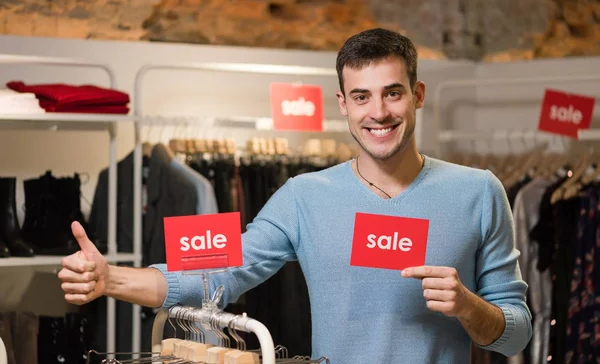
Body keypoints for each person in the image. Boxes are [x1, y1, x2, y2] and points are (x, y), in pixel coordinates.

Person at [58, 28, 532, 363]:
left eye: (393, 93)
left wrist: (467, 304)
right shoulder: (303, 195)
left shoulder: (479, 191)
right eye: (362, 97)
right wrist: (110, 279)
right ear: (344, 104)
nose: (379, 112)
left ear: (418, 94)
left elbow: (516, 334)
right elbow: (219, 270)